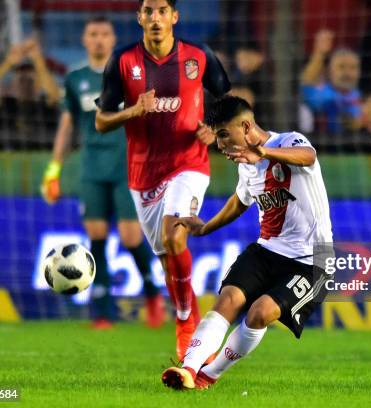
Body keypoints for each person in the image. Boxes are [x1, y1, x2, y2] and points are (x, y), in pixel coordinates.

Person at [161, 95, 333, 390]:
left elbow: (309, 157)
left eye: (224, 134)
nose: (219, 144)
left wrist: (264, 153)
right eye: (217, 137)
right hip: (267, 250)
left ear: (245, 126)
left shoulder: (289, 142)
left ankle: (210, 374)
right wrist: (204, 229)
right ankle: (188, 369)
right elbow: (239, 202)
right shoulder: (246, 167)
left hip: (312, 261)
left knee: (260, 313)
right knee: (228, 299)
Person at [94, 0, 230, 359]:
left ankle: (186, 321)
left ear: (174, 17)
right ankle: (189, 314)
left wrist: (213, 130)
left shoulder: (198, 56)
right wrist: (134, 110)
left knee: (174, 235)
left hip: (189, 164)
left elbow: (227, 100)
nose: (155, 18)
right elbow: (101, 120)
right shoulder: (123, 61)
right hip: (142, 177)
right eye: (148, 11)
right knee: (169, 259)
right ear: (139, 18)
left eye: (162, 11)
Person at [41, 17, 165, 330]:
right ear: (84, 40)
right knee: (96, 235)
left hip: (127, 166)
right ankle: (102, 313)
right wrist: (53, 170)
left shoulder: (129, 75)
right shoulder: (75, 78)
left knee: (130, 236)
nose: (98, 40)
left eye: (104, 34)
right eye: (93, 34)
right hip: (92, 168)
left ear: (113, 40)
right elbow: (67, 125)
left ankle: (152, 294)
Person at [300, 29, 371, 135]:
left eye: (353, 68)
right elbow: (306, 83)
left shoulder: (361, 95)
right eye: (341, 67)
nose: (347, 73)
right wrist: (319, 53)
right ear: (328, 71)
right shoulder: (324, 93)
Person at [0, 38, 60, 149]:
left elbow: (55, 95)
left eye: (30, 79)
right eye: (21, 78)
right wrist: (8, 62)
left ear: (39, 82)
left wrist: (38, 60)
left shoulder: (44, 104)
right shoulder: (8, 104)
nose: (25, 81)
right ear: (14, 82)